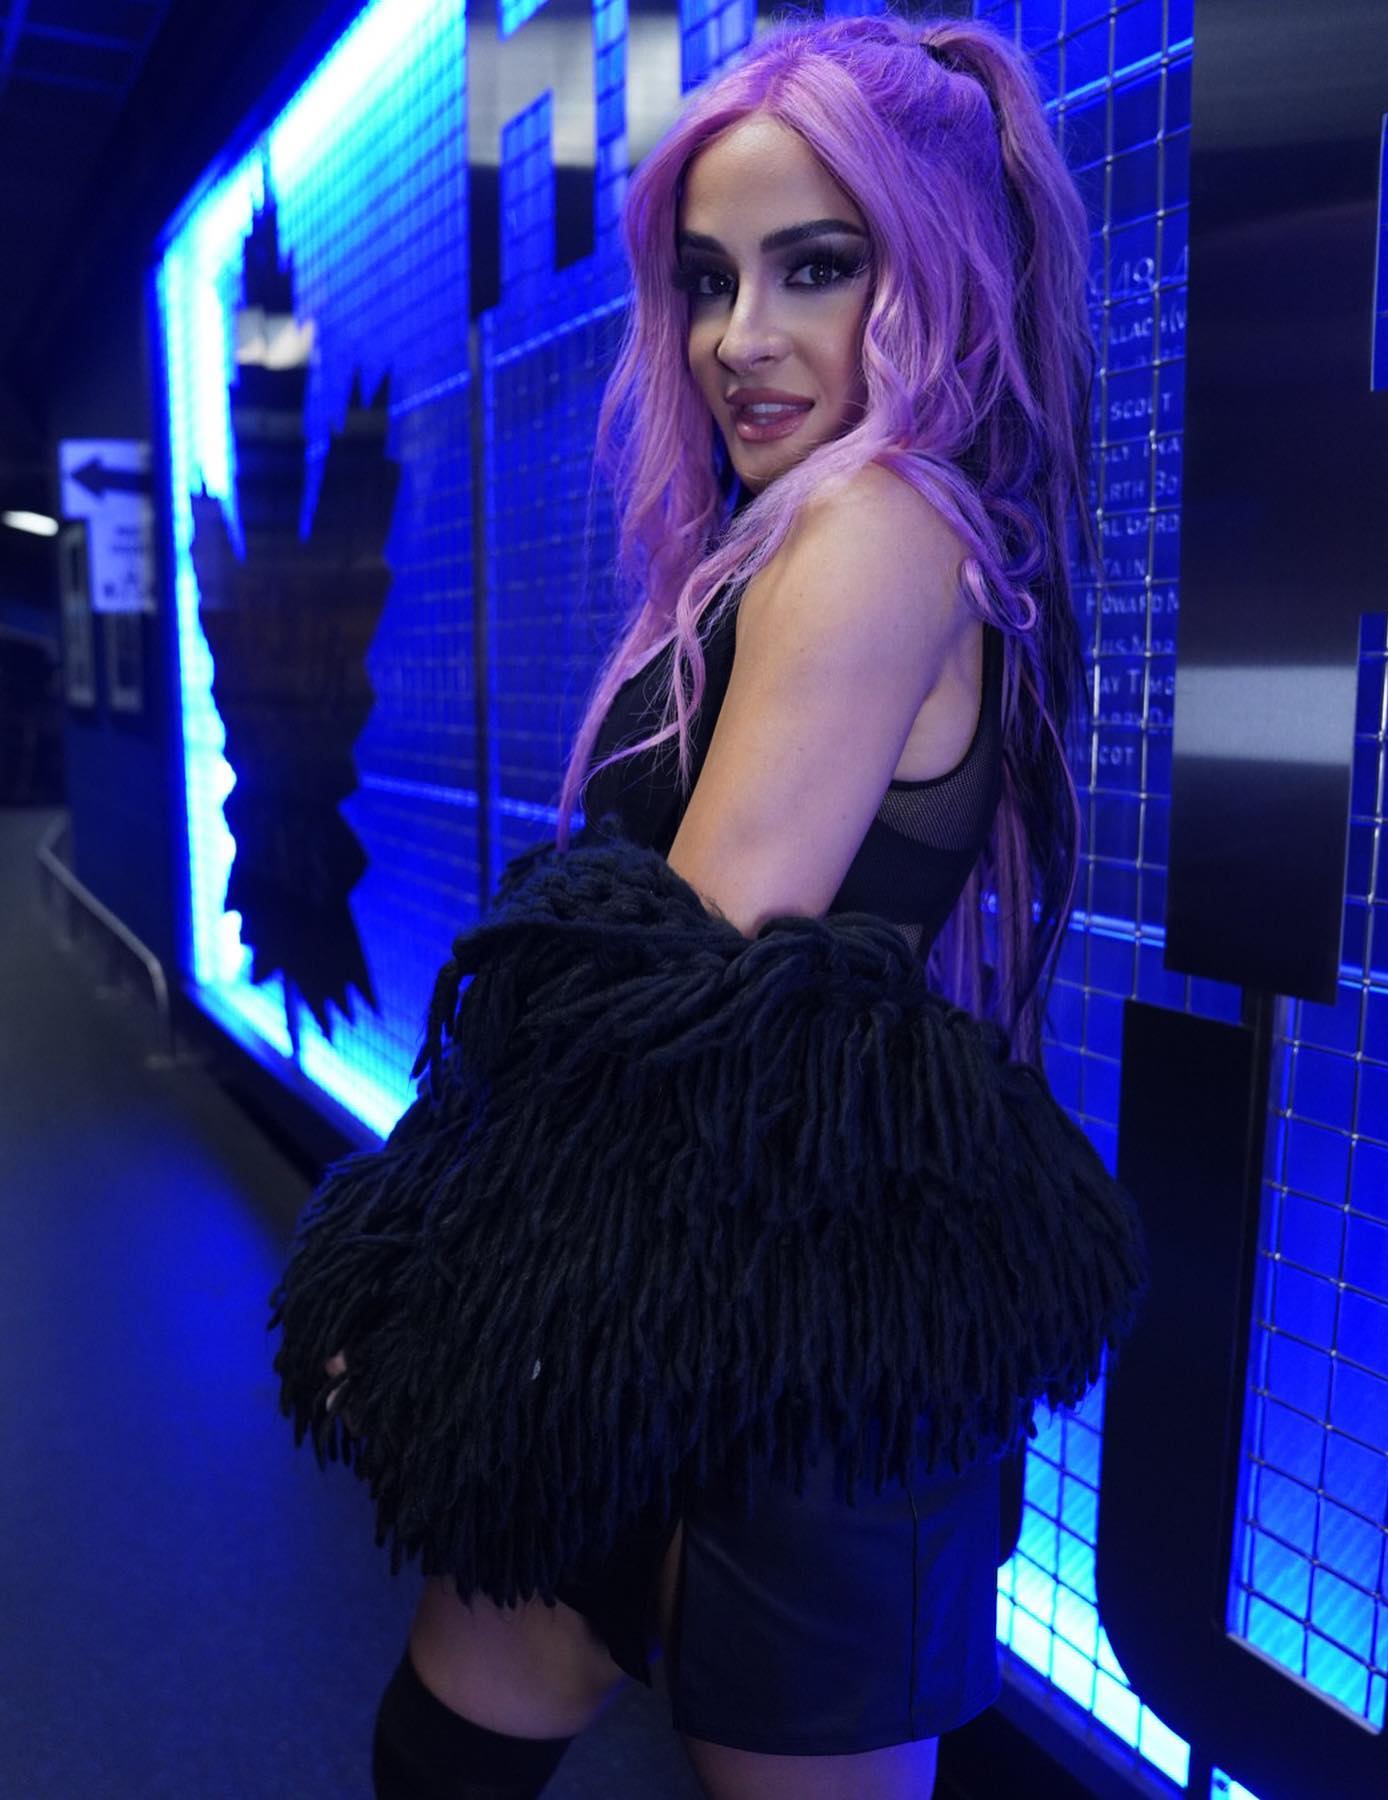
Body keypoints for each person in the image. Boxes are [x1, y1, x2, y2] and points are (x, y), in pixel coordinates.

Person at [269, 13, 1147, 1799]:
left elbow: (684, 981)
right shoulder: (778, 538)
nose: (741, 338)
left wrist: (439, 1285)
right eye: (705, 279)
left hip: (808, 1349)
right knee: (443, 1743)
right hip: (667, 1289)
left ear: (931, 273)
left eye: (815, 268)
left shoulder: (879, 527)